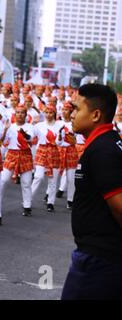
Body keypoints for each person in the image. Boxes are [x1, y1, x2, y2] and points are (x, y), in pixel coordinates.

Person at [61, 84, 122, 300]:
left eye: (77, 109)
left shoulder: (103, 150)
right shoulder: (104, 144)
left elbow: (119, 206)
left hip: (99, 259)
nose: (72, 114)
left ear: (95, 114)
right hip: (100, 256)